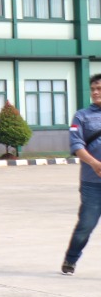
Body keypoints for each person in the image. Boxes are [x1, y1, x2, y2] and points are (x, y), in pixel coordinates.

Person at [64, 73, 101, 275]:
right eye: (93, 89)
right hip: (92, 182)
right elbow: (76, 144)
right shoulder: (82, 115)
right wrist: (94, 163)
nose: (95, 92)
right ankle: (71, 259)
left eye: (100, 88)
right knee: (86, 225)